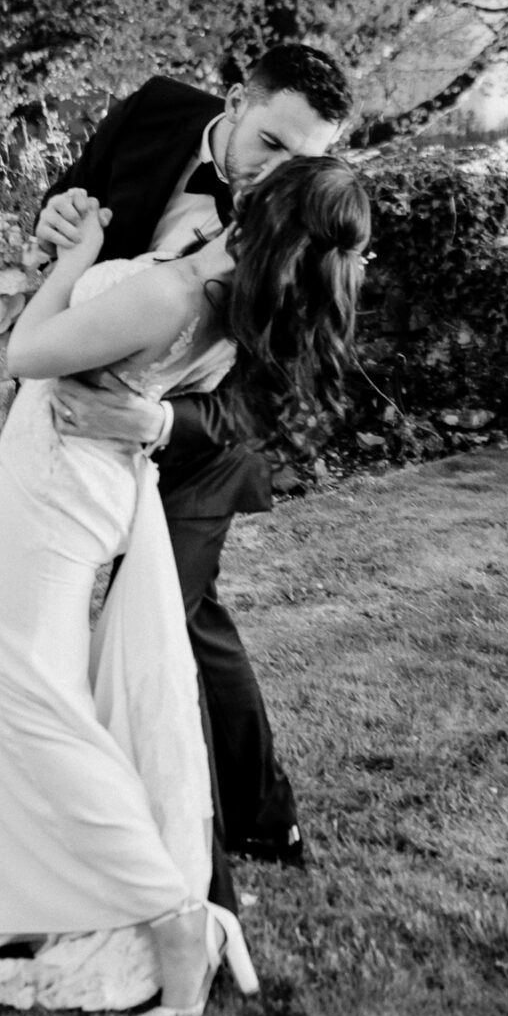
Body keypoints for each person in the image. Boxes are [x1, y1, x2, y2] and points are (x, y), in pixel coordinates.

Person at [0, 150, 370, 1016]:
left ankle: (175, 917)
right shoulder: (224, 289)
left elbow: (27, 355)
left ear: (264, 213)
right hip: (75, 481)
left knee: (33, 701)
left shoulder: (170, 294)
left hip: (61, 494)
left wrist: (73, 260)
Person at [37, 43, 353, 873]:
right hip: (91, 416)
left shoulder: (310, 217)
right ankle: (251, 817)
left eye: (306, 159)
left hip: (201, 440)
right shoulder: (155, 111)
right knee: (187, 621)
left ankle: (165, 849)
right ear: (234, 101)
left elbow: (274, 395)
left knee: (156, 625)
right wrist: (57, 216)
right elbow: (79, 201)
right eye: (271, 145)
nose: (278, 173)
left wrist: (159, 421)